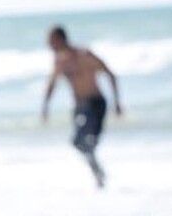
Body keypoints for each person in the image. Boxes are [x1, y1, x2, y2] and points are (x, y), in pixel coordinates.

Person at [41, 25, 122, 188]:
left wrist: (117, 102)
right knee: (78, 142)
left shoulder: (84, 55)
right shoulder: (60, 62)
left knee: (90, 142)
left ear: (60, 39)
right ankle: (98, 172)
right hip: (80, 106)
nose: (49, 45)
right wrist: (45, 106)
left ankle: (99, 176)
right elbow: (52, 84)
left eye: (51, 41)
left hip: (96, 104)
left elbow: (110, 73)